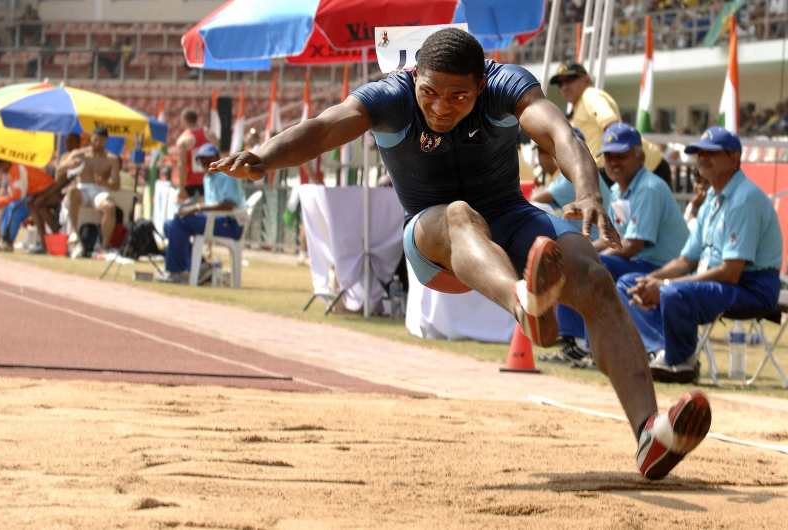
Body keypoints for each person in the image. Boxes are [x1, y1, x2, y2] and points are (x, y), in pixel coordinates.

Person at [212, 28, 711, 480]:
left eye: (458, 96)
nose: (441, 107)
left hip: (511, 218)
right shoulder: (389, 96)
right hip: (435, 239)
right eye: (429, 92)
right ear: (415, 80)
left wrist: (587, 191)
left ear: (481, 83)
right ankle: (524, 303)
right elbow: (325, 127)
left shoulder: (505, 85)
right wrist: (265, 154)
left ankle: (649, 433)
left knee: (593, 276)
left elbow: (560, 131)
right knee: (458, 214)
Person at [619, 127, 783, 383]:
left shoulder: (744, 198)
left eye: (711, 152)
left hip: (752, 288)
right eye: (699, 152)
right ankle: (661, 350)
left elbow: (730, 273)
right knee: (629, 283)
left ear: (734, 158)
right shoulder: (711, 200)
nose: (703, 158)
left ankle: (681, 361)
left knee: (671, 292)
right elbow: (686, 260)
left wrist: (664, 284)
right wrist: (651, 279)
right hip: (719, 284)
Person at [556, 123, 689, 364]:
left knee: (588, 266)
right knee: (574, 261)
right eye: (609, 156)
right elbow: (613, 239)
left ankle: (589, 346)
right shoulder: (618, 190)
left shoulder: (650, 188)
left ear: (640, 155)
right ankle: (576, 342)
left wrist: (585, 253)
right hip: (636, 262)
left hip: (659, 267)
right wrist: (580, 250)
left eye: (621, 155)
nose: (614, 162)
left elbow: (632, 245)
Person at [549, 63, 673, 190]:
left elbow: (612, 127)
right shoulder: (577, 108)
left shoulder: (590, 95)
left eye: (569, 80)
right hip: (621, 170)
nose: (564, 87)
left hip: (645, 168)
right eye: (560, 84)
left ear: (586, 79)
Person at [160, 144, 245, 284]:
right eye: (202, 160)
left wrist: (196, 208)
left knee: (178, 223)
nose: (205, 163)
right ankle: (199, 265)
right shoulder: (207, 178)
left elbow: (229, 205)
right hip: (215, 221)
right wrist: (191, 208)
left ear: (218, 158)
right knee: (169, 225)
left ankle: (177, 272)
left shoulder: (227, 175)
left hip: (231, 224)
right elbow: (211, 205)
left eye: (208, 159)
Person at [62, 128, 120, 254]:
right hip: (83, 188)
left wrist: (104, 182)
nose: (97, 143)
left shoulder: (112, 159)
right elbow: (60, 168)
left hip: (99, 190)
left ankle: (104, 247)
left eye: (101, 141)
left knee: (110, 207)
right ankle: (75, 236)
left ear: (106, 141)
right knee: (72, 192)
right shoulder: (80, 154)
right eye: (95, 140)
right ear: (91, 139)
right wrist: (70, 164)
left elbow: (116, 185)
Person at [28, 133, 82, 253]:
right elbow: (58, 180)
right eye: (67, 141)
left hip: (69, 192)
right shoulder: (64, 156)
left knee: (38, 203)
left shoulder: (79, 157)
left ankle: (54, 236)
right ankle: (47, 240)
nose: (67, 144)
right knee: (33, 203)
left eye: (71, 141)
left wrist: (45, 195)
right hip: (57, 190)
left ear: (78, 143)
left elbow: (66, 180)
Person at [0, 159, 54, 251]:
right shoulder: (11, 171)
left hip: (45, 191)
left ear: (6, 163)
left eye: (0, 166)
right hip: (36, 194)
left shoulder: (18, 168)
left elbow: (18, 195)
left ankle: (7, 241)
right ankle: (4, 239)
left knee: (15, 208)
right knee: (9, 207)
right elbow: (14, 195)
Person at [175, 109, 218, 200]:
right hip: (209, 179)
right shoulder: (210, 134)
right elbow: (218, 156)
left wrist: (181, 188)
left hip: (191, 183)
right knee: (209, 211)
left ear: (184, 120)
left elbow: (182, 165)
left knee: (188, 211)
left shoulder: (183, 140)